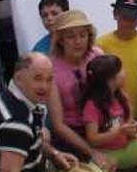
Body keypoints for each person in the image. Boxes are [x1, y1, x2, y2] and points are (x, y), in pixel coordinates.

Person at [45, 10, 107, 163]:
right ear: (61, 40)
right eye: (71, 36)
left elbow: (113, 94)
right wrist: (91, 151)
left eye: (82, 35)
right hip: (72, 134)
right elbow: (58, 124)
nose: (78, 41)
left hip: (101, 127)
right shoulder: (51, 68)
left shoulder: (97, 55)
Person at [95, 0, 137, 120]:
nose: (128, 22)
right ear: (115, 14)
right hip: (111, 120)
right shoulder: (100, 45)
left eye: (133, 18)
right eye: (124, 16)